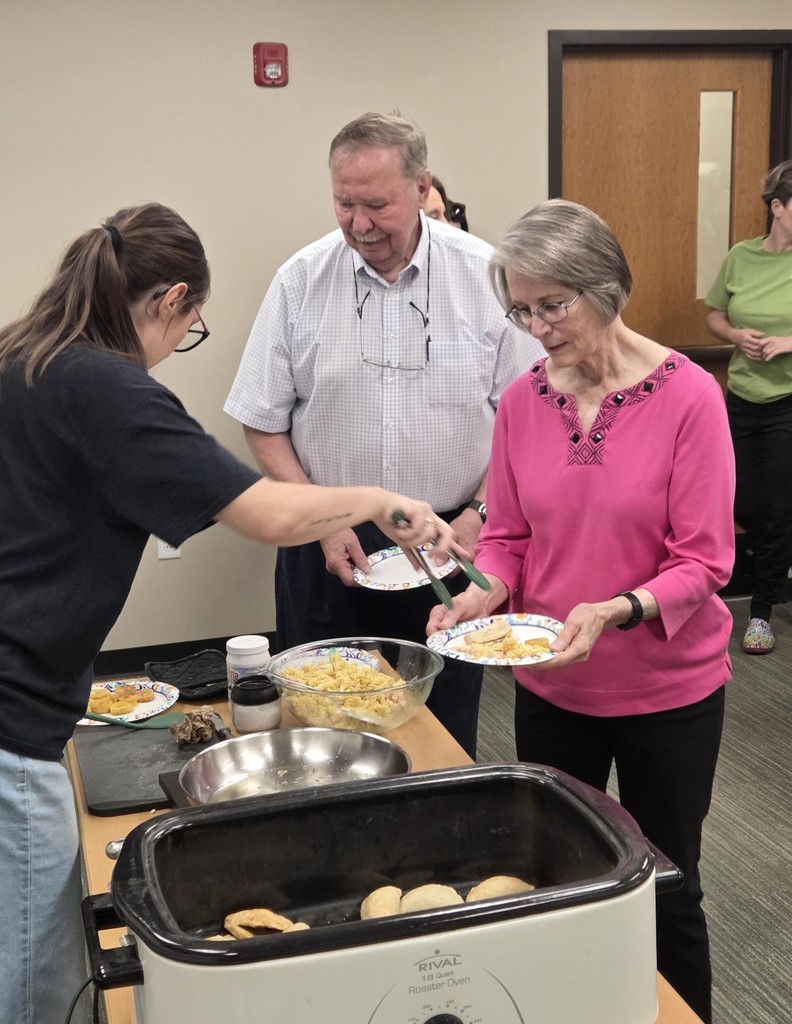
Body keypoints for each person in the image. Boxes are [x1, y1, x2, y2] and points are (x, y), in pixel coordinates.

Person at [0, 202, 461, 1024]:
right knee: (38, 979)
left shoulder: (23, 356)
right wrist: (383, 501)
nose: (182, 342)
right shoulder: (108, 387)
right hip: (13, 719)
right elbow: (268, 515)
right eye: (192, 327)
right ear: (172, 300)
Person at [427, 199, 735, 1023]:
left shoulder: (690, 397)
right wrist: (482, 589)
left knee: (665, 884)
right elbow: (509, 536)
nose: (536, 328)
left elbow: (704, 561)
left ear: (608, 288)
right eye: (521, 310)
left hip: (667, 693)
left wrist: (617, 609)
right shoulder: (523, 401)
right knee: (557, 878)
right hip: (554, 687)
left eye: (552, 306)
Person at [225, 112, 543, 757]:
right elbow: (262, 418)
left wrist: (484, 512)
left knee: (444, 728)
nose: (359, 223)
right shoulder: (300, 280)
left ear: (422, 187)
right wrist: (322, 522)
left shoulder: (487, 276)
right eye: (345, 203)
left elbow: (528, 416)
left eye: (376, 204)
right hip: (328, 543)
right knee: (320, 722)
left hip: (454, 535)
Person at [705, 159, 792, 655]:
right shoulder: (741, 257)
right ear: (777, 207)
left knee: (777, 507)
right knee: (733, 500)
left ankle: (760, 610)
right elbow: (715, 314)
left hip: (787, 402)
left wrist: (787, 342)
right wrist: (736, 335)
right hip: (740, 397)